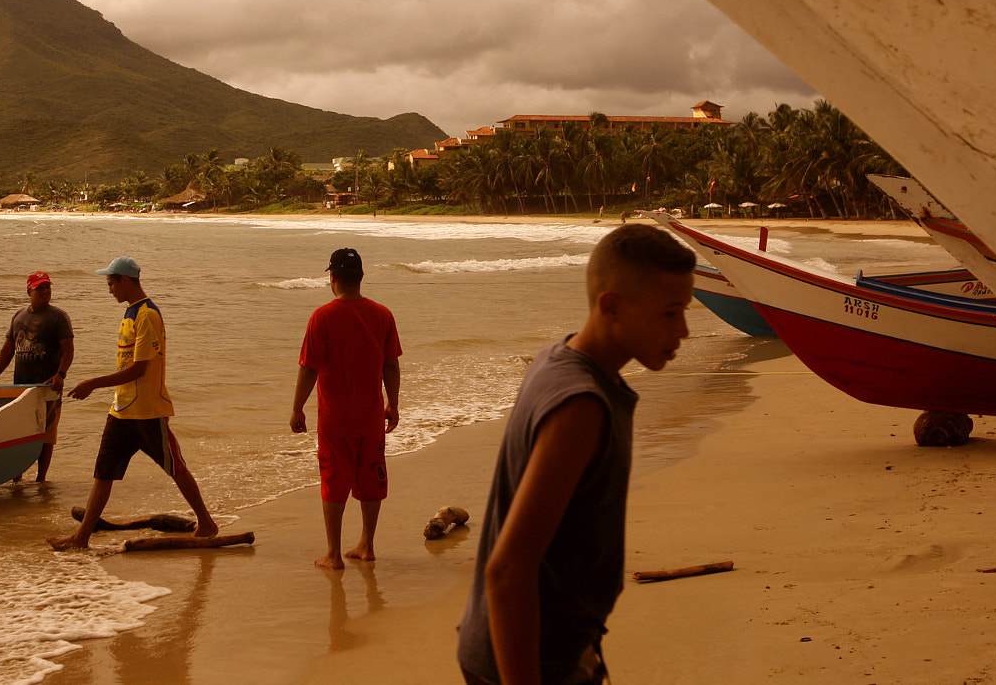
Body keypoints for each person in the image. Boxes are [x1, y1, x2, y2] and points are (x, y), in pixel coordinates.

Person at [457, 223, 695, 685]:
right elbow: (507, 571)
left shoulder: (557, 357)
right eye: (670, 313)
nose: (683, 330)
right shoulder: (582, 405)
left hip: (552, 648)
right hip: (532, 662)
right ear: (612, 306)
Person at [46, 255, 218, 549]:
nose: (109, 289)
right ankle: (81, 537)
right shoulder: (130, 313)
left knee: (175, 466)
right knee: (103, 472)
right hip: (122, 410)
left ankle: (206, 522)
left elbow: (139, 369)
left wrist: (92, 383)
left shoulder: (148, 315)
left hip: (148, 410)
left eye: (111, 283)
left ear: (126, 281)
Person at [289, 247, 401, 570]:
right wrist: (393, 403)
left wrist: (297, 409)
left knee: (334, 481)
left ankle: (334, 554)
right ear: (361, 277)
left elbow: (309, 368)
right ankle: (367, 545)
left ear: (333, 278)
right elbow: (390, 366)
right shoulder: (383, 315)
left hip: (335, 419)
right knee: (371, 478)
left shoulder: (322, 317)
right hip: (370, 416)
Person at [0, 270, 74, 481]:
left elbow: (68, 350)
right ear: (29, 290)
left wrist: (60, 375)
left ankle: (41, 480)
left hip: (48, 387)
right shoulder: (19, 316)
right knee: (19, 433)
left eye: (47, 287)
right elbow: (7, 350)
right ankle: (17, 478)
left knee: (47, 436)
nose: (45, 291)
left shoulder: (58, 317)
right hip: (21, 387)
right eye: (40, 288)